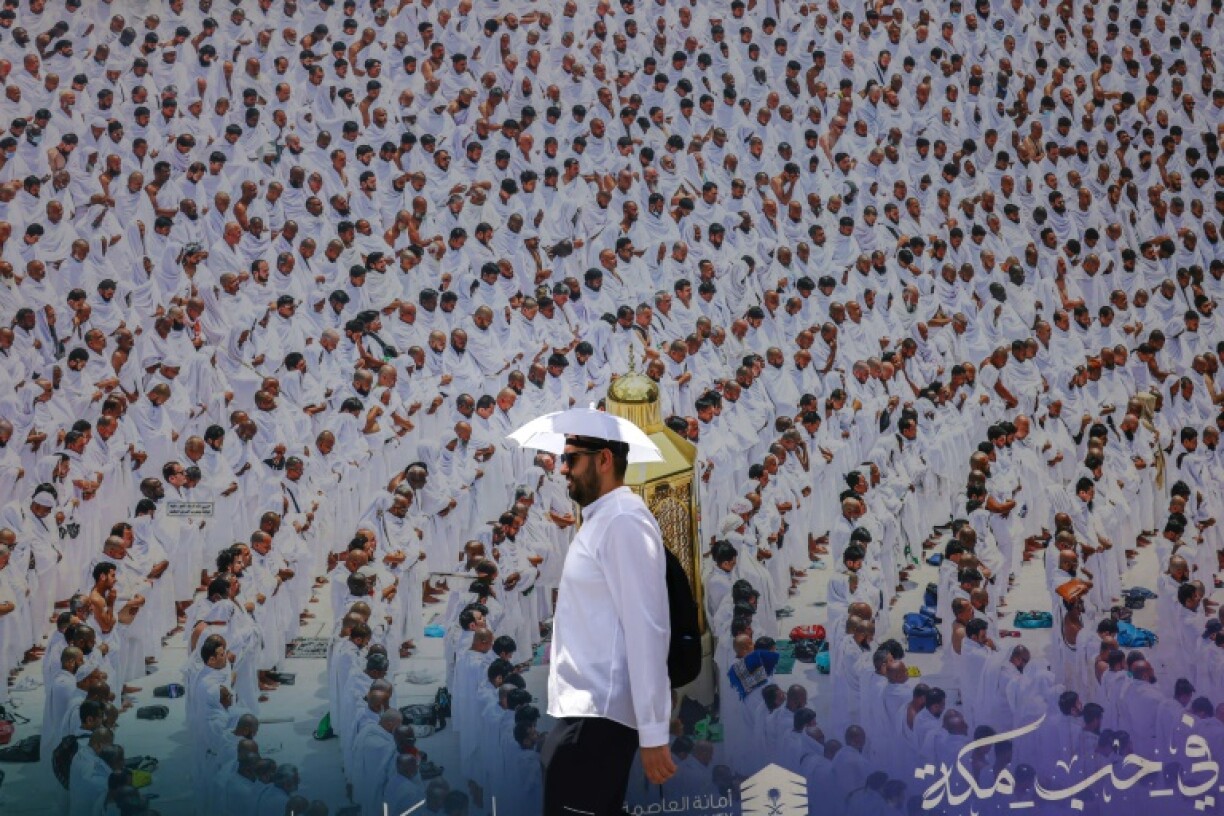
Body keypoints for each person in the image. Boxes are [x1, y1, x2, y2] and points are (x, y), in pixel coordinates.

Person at [543, 434, 675, 813]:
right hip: (583, 716)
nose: (563, 469)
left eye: (571, 459)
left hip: (598, 718)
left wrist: (652, 730)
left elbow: (646, 626)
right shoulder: (603, 519)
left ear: (603, 460)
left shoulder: (623, 521)